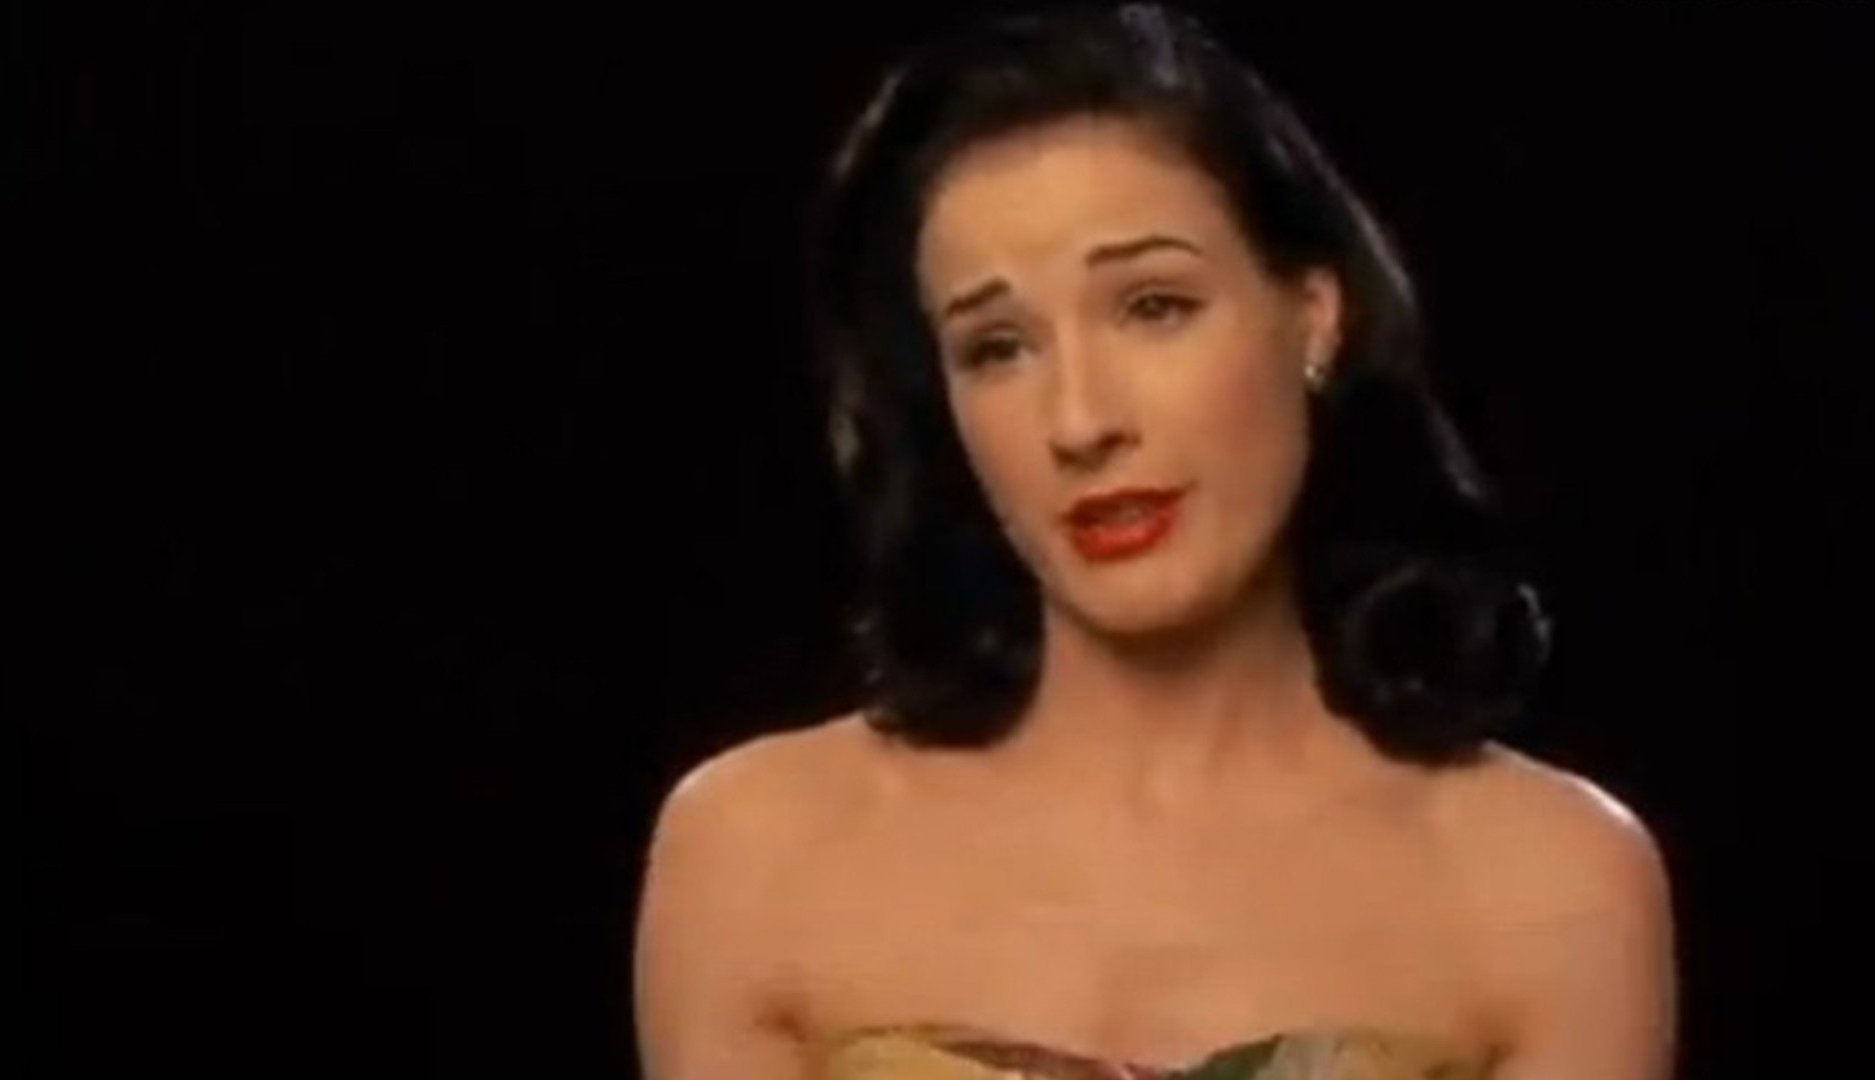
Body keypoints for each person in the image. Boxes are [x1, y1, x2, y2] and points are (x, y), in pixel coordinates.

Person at [633, 5, 1676, 1078]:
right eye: (998, 347)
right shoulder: (759, 855)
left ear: (1315, 315)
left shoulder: (1546, 888)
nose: (1080, 420)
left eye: (1153, 306)